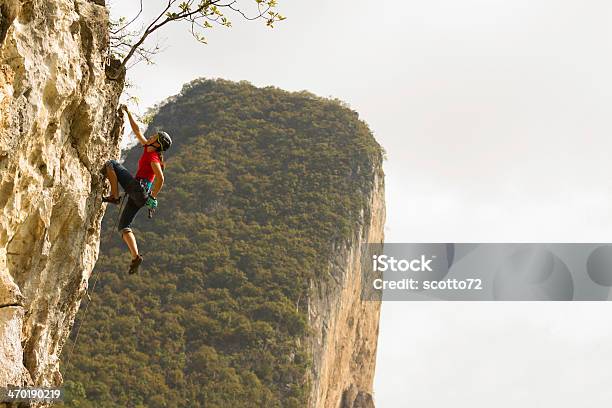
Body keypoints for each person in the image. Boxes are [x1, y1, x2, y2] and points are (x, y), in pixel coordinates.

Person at [103, 105, 172, 274]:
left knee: (111, 164)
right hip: (140, 195)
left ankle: (114, 196)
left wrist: (153, 196)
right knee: (124, 226)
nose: (151, 136)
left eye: (155, 136)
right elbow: (136, 131)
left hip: (139, 189)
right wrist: (128, 113)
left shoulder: (153, 156)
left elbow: (161, 178)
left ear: (157, 144)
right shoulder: (148, 147)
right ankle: (135, 256)